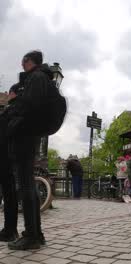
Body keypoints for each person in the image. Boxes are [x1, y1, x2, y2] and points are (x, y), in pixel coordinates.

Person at [6, 51, 51, 250]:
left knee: (26, 186)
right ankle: (37, 234)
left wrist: (13, 100)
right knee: (29, 185)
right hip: (31, 136)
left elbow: (29, 106)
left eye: (23, 61)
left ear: (27, 61)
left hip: (25, 137)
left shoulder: (36, 78)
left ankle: (31, 235)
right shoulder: (42, 78)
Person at [0, 84, 20, 242]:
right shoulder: (20, 110)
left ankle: (9, 230)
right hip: (12, 157)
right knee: (10, 194)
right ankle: (10, 229)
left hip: (5, 158)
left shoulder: (11, 111)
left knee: (9, 194)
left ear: (13, 94)